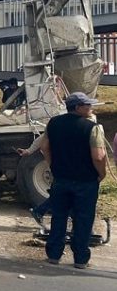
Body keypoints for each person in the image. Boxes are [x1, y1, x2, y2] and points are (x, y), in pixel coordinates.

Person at [40, 92, 107, 269]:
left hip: (61, 178)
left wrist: (53, 166)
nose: (90, 108)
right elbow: (99, 156)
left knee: (59, 216)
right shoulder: (92, 127)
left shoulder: (53, 123)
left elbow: (44, 147)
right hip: (86, 181)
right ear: (77, 107)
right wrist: (102, 174)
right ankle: (80, 258)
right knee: (83, 219)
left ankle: (54, 255)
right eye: (87, 105)